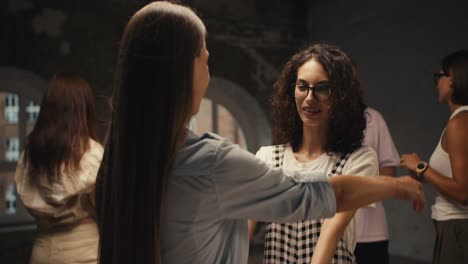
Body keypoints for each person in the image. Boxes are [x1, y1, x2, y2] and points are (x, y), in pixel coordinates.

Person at [95, 2, 425, 264]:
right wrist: (395, 185)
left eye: (322, 89)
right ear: (183, 72)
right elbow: (311, 196)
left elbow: (327, 225)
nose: (310, 98)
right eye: (205, 61)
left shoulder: (116, 163)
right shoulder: (214, 161)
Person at [249, 43, 381, 264]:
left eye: (322, 88)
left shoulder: (358, 160)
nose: (310, 98)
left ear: (341, 96)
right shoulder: (267, 158)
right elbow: (242, 229)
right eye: (302, 87)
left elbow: (331, 232)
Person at [14, 72, 103, 264]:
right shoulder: (91, 153)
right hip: (85, 253)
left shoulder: (30, 155)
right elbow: (107, 209)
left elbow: (26, 196)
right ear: (83, 109)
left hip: (42, 251)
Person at [400, 50, 468, 264]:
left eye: (438, 77)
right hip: (453, 229)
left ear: (452, 78)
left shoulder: (460, 123)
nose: (436, 83)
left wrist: (421, 167)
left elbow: (463, 192)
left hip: (458, 230)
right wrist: (422, 173)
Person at [354, 107, 400, 264]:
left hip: (370, 233)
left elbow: (389, 174)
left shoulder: (373, 118)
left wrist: (357, 187)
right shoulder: (318, 117)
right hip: (327, 231)